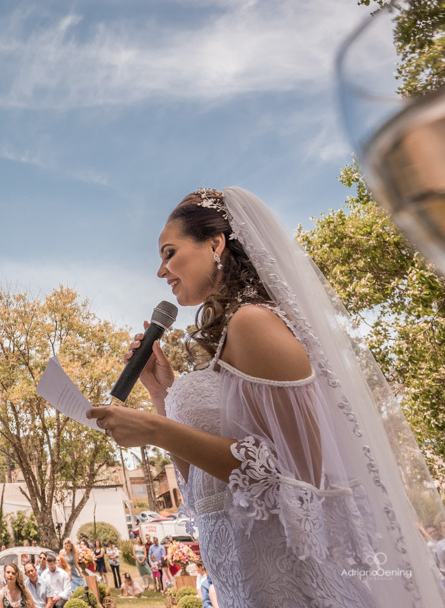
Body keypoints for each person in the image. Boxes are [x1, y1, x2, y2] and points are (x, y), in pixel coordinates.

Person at [88, 187, 445, 608]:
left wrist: (155, 430)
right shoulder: (228, 336)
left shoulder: (253, 322)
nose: (161, 270)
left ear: (216, 244)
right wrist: (161, 393)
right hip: (244, 577)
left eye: (169, 252)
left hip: (290, 581)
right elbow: (205, 487)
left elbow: (298, 476)